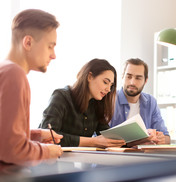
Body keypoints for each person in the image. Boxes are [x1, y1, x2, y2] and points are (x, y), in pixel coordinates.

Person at [0, 9, 63, 166]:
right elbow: (11, 149)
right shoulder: (14, 74)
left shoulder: (5, 70)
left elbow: (4, 135)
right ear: (28, 42)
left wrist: (37, 135)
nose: (54, 55)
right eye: (50, 46)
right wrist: (48, 151)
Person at [40, 58, 126, 148]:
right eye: (105, 82)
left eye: (111, 85)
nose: (108, 89)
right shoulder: (61, 96)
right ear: (89, 77)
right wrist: (92, 141)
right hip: (48, 159)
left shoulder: (97, 104)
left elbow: (108, 138)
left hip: (73, 160)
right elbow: (48, 136)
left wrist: (131, 142)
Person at [110, 58, 170, 145]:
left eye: (138, 78)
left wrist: (161, 138)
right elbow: (98, 137)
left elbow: (167, 138)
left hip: (143, 156)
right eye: (129, 76)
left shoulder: (151, 102)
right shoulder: (110, 99)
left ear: (145, 81)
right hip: (115, 156)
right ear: (122, 76)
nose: (132, 82)